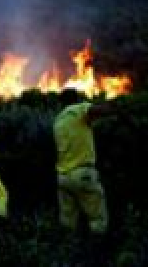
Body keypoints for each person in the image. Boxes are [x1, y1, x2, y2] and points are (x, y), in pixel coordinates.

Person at [53, 88, 117, 234]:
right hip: (83, 174)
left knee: (67, 224)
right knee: (97, 219)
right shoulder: (78, 109)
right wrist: (114, 107)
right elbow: (98, 111)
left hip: (63, 178)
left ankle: (65, 252)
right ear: (76, 100)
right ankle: (96, 251)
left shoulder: (58, 120)